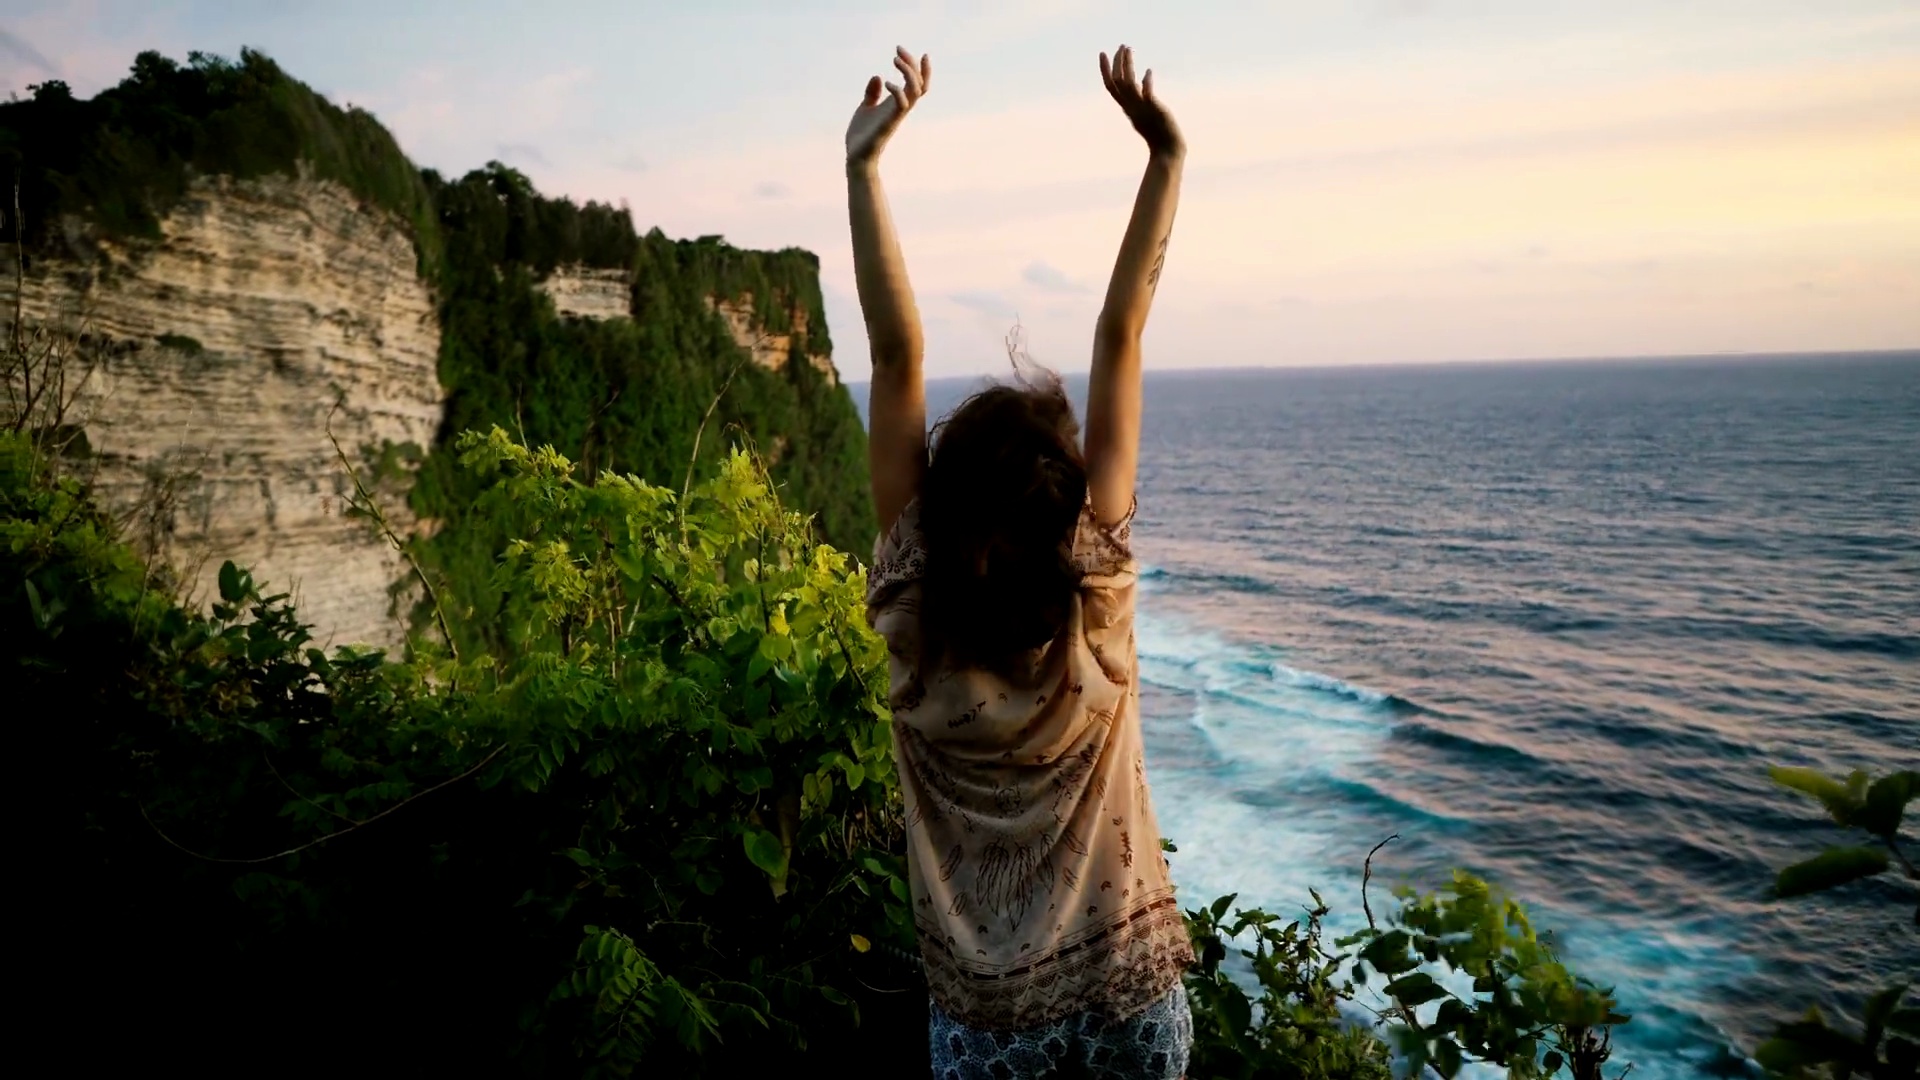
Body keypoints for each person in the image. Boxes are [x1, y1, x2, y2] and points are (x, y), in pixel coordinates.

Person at [849, 43, 1194, 1080]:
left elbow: (894, 357)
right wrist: (1165, 157)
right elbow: (1121, 335)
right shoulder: (1097, 602)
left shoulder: (914, 621)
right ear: (1071, 516)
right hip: (1131, 1003)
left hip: (989, 1026)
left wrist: (865, 171)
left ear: (943, 509)